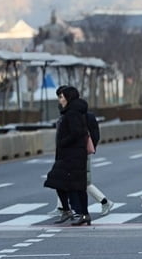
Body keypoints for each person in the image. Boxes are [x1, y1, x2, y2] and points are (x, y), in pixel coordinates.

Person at [48, 86, 114, 217]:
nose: (59, 100)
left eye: (61, 96)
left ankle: (103, 202)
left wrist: (86, 148)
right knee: (64, 179)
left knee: (81, 182)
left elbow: (88, 134)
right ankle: (63, 208)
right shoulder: (66, 113)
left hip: (79, 153)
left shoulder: (81, 115)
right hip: (68, 153)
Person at [44, 86, 91, 226]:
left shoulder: (72, 113)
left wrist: (62, 142)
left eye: (61, 97)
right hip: (72, 154)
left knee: (68, 183)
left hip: (72, 154)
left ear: (68, 98)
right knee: (67, 184)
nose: (59, 100)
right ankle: (75, 212)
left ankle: (79, 213)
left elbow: (76, 133)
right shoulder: (73, 111)